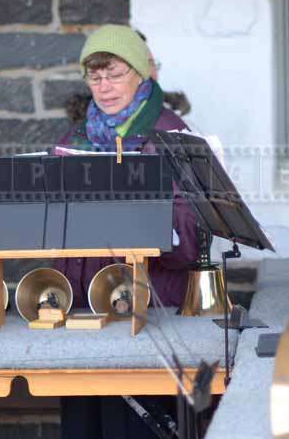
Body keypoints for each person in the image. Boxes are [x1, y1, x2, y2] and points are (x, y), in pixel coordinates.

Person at [53, 24, 199, 439]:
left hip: (146, 316)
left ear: (142, 73)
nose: (104, 86)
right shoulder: (74, 138)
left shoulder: (172, 135)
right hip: (81, 316)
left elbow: (190, 239)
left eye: (115, 74)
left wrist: (128, 221)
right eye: (95, 77)